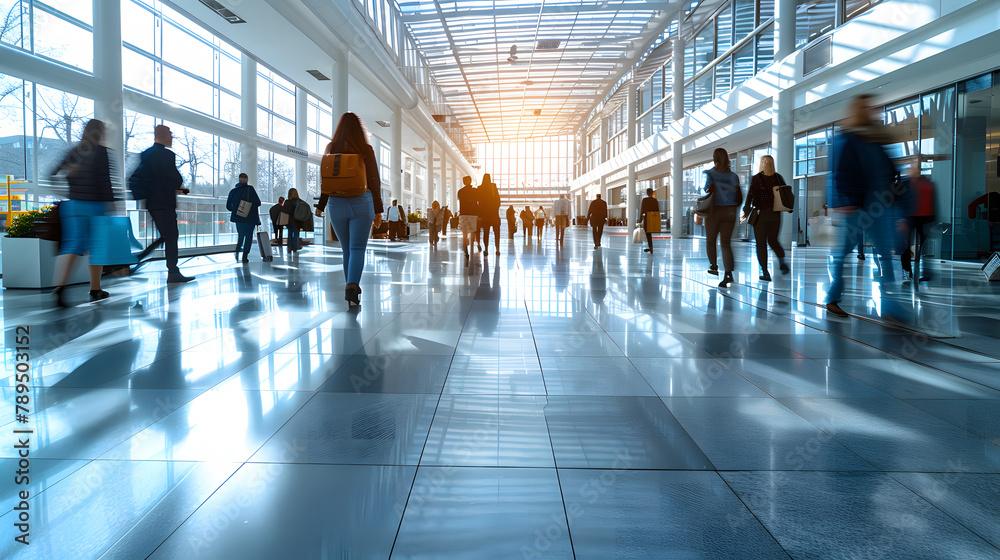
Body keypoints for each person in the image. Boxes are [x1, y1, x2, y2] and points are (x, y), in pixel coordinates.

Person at [825, 94, 899, 318]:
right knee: (843, 253)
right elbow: (838, 172)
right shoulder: (847, 138)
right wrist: (844, 202)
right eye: (868, 107)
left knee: (885, 252)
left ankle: (891, 302)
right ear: (859, 110)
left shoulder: (876, 138)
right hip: (856, 207)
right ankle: (832, 297)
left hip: (879, 205)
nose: (873, 110)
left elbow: (889, 169)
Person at [314, 112, 383, 307]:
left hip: (336, 203)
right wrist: (378, 209)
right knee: (357, 248)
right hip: (362, 201)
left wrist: (321, 204)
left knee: (346, 250)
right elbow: (373, 180)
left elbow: (326, 179)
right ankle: (352, 286)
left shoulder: (331, 147)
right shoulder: (365, 148)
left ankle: (349, 287)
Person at [50, 119, 115, 306]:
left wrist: (66, 191)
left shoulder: (73, 151)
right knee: (97, 248)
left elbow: (53, 174)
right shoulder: (101, 152)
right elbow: (105, 181)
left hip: (73, 206)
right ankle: (95, 289)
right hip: (95, 205)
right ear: (99, 133)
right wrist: (112, 204)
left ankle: (60, 286)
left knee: (71, 246)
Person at [138, 124, 193, 284]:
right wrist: (178, 186)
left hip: (151, 202)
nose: (172, 137)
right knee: (171, 236)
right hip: (164, 201)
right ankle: (173, 272)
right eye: (170, 134)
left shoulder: (146, 154)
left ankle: (151, 257)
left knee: (166, 235)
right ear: (163, 136)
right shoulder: (167, 155)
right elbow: (175, 178)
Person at [743, 155, 789, 281]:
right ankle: (782, 262)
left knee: (761, 244)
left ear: (762, 164)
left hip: (761, 216)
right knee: (773, 241)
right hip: (776, 216)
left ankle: (765, 271)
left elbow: (750, 197)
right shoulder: (779, 178)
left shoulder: (756, 179)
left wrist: (746, 211)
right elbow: (786, 195)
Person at [703, 147, 742, 288]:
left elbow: (706, 189)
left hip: (714, 212)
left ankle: (714, 266)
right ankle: (728, 275)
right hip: (730, 212)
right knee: (725, 243)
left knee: (711, 241)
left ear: (715, 159)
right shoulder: (734, 176)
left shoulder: (710, 173)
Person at [902, 163, 936, 281]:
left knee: (917, 246)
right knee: (912, 245)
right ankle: (909, 271)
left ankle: (910, 271)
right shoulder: (927, 183)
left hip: (919, 217)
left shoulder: (923, 183)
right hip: (917, 217)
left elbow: (932, 201)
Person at [226, 173, 262, 263]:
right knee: (249, 236)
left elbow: (228, 206)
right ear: (247, 179)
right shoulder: (250, 189)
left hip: (239, 218)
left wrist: (237, 210)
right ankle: (245, 256)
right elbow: (258, 203)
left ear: (239, 179)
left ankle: (237, 251)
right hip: (250, 218)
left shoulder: (233, 191)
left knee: (241, 235)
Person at [478, 174, 501, 255]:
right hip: (494, 214)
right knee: (497, 232)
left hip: (485, 215)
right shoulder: (493, 187)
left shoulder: (480, 188)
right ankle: (497, 249)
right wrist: (496, 209)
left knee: (486, 232)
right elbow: (498, 200)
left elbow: (478, 201)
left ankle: (486, 249)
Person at [281, 188, 309, 254]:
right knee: (296, 235)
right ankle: (295, 248)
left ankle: (289, 248)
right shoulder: (300, 202)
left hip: (289, 221)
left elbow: (285, 211)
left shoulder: (287, 202)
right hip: (298, 221)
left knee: (290, 234)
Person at [457, 176, 479, 257]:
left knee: (464, 233)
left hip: (463, 214)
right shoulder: (475, 191)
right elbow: (477, 201)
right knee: (472, 232)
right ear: (470, 181)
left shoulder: (460, 191)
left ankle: (465, 249)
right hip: (473, 214)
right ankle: (472, 249)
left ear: (463, 182)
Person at [639, 187, 659, 255]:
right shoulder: (655, 200)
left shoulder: (645, 200)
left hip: (647, 218)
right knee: (650, 232)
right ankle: (651, 247)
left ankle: (651, 247)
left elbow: (642, 210)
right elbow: (657, 210)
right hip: (653, 218)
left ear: (647, 193)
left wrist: (640, 219)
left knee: (648, 233)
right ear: (652, 193)